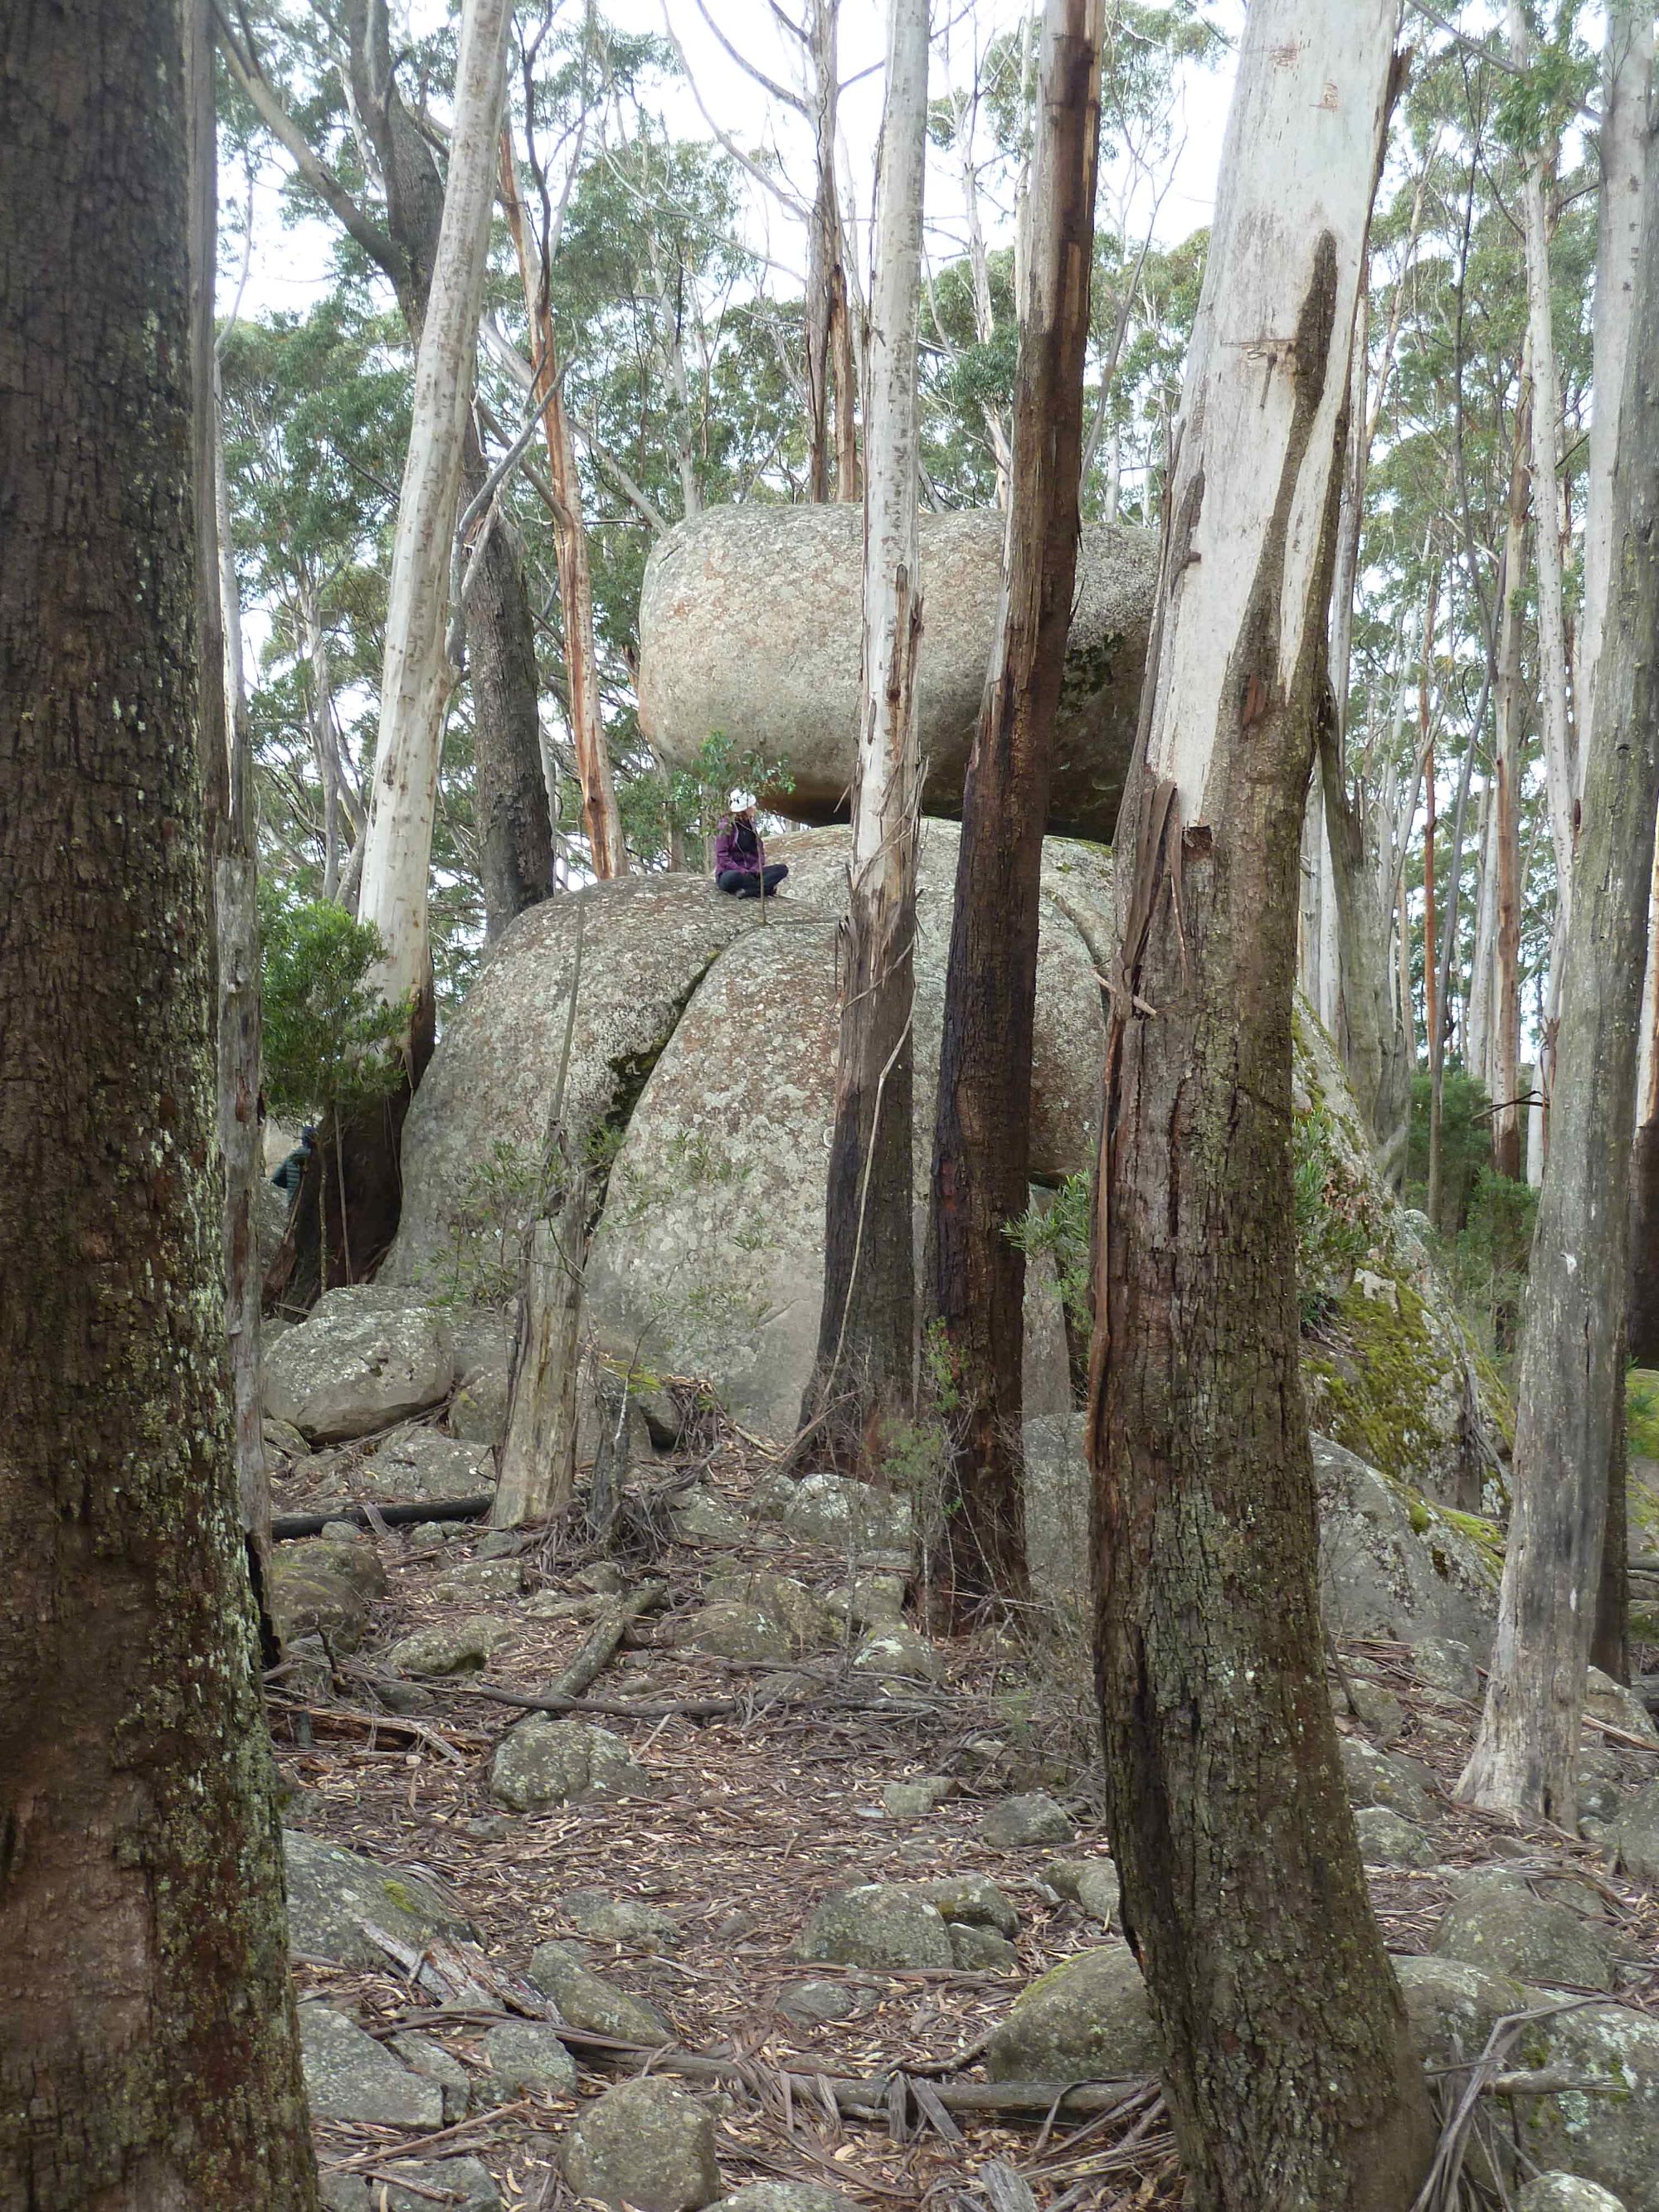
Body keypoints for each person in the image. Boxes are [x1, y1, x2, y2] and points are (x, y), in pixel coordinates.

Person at [713, 790, 788, 898]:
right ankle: (763, 888)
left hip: (751, 873)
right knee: (733, 878)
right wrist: (742, 871)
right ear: (744, 809)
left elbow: (759, 850)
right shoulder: (725, 826)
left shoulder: (750, 825)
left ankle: (750, 891)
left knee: (782, 869)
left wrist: (756, 869)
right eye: (752, 806)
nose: (755, 808)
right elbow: (722, 856)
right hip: (732, 873)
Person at [270, 1124, 317, 1200]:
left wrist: (291, 1184)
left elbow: (276, 1178)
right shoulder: (319, 1158)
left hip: (293, 1201)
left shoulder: (292, 1157)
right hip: (313, 1202)